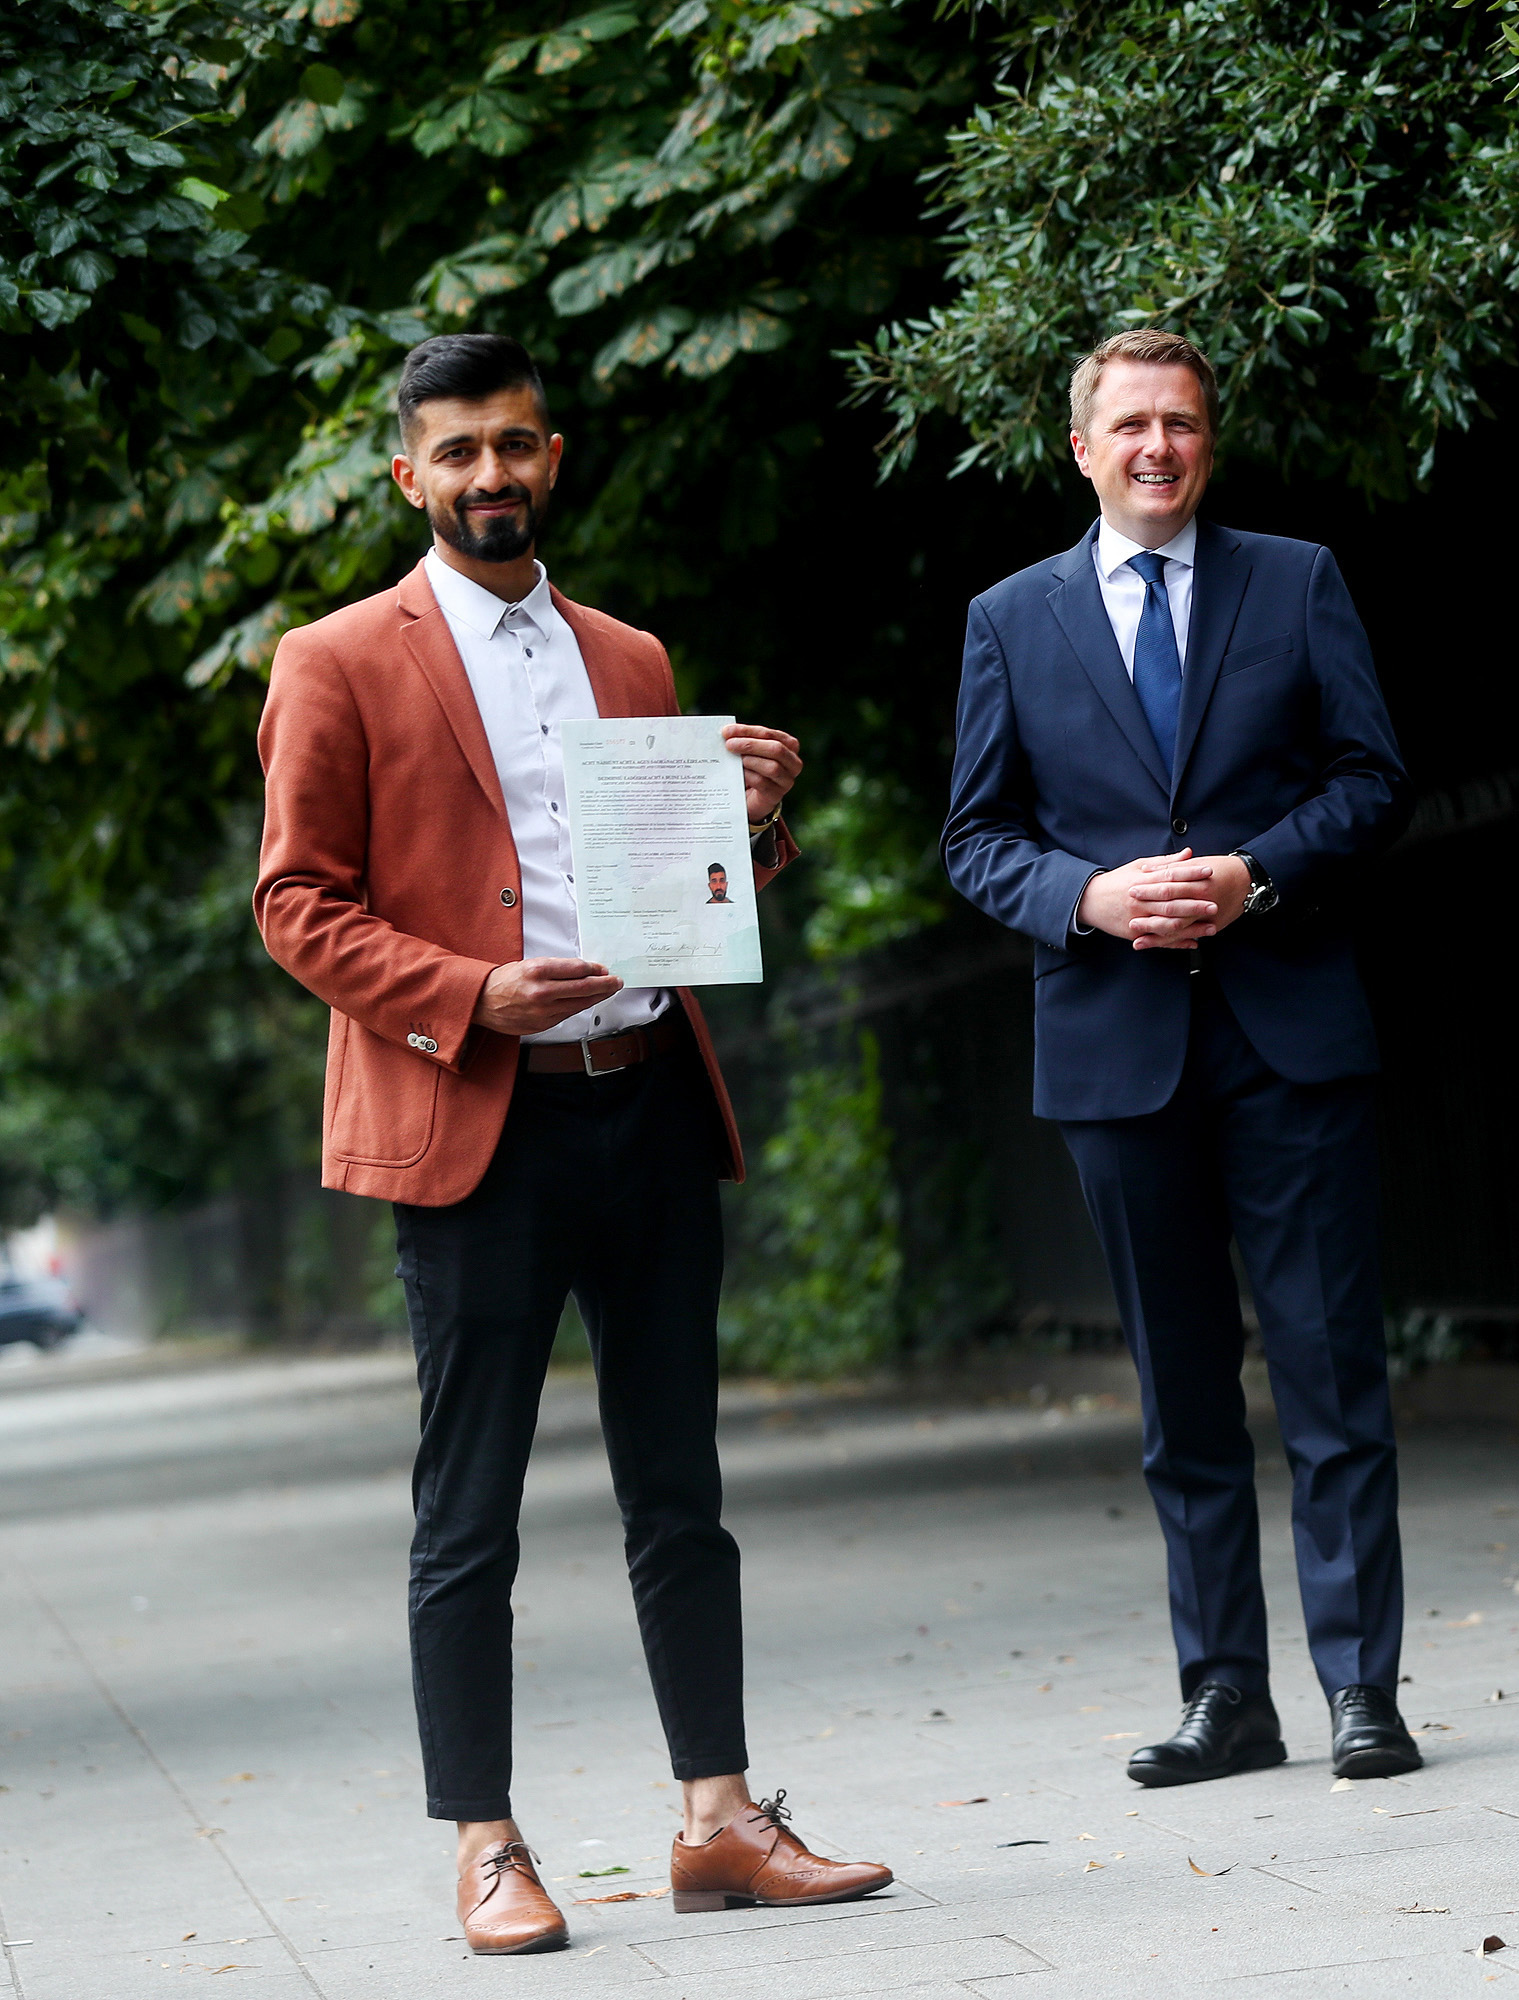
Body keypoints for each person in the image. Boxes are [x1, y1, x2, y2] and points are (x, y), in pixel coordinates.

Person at [254, 333, 891, 1953]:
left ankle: (720, 1819)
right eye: (458, 452)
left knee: (681, 1484)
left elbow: (680, 899)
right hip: (478, 1127)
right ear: (409, 474)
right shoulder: (334, 660)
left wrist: (750, 818)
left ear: (554, 456)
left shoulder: (632, 654)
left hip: (650, 1106)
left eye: (516, 446)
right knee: (467, 1510)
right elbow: (295, 906)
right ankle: (484, 1845)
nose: (491, 477)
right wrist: (474, 994)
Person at [944, 328, 1421, 1787]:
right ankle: (1226, 1694)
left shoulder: (1296, 580)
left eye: (1184, 425)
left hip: (1287, 1030)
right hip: (1112, 1048)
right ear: (1079, 447)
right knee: (1181, 1392)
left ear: (1208, 443)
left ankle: (1360, 1690)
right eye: (1132, 425)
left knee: (1332, 1370)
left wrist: (1253, 875)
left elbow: (1370, 781)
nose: (1159, 448)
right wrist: (1086, 898)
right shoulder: (1009, 619)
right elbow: (975, 838)